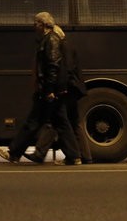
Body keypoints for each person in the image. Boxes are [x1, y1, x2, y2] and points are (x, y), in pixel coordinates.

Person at [0, 11, 81, 165]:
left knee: (34, 122)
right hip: (55, 90)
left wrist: (49, 90)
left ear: (43, 24)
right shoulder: (48, 39)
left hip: (50, 91)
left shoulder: (51, 40)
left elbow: (52, 66)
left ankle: (13, 153)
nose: (34, 26)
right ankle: (74, 156)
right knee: (61, 123)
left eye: (36, 23)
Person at [32, 32, 93, 164]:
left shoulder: (63, 47)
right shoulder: (68, 45)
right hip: (73, 88)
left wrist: (59, 87)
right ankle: (85, 156)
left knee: (57, 119)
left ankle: (41, 153)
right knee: (73, 122)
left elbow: (67, 68)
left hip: (68, 88)